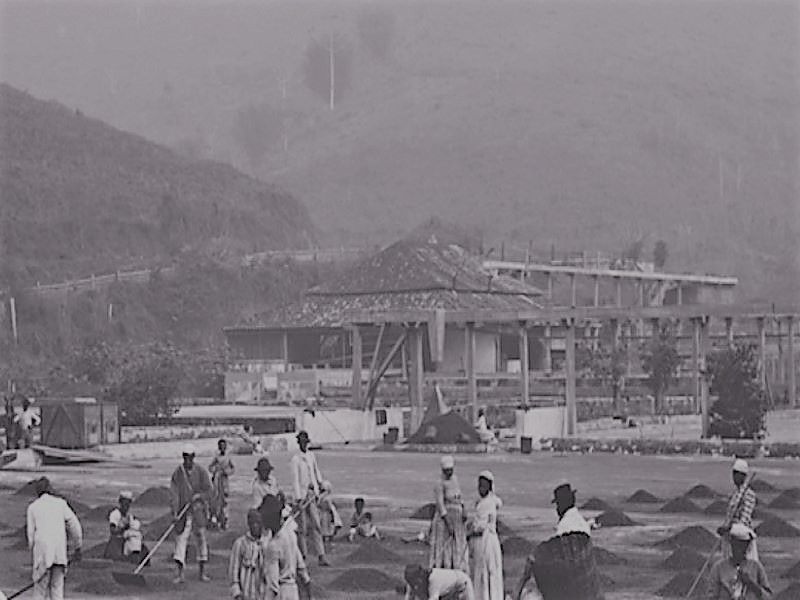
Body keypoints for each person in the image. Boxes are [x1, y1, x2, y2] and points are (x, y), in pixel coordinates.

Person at [26, 477, 83, 600]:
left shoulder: (33, 508)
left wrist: (35, 558)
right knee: (57, 591)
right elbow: (75, 526)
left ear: (37, 492)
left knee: (40, 593)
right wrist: (78, 547)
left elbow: (30, 537)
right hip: (59, 555)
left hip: (43, 556)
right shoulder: (61, 504)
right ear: (49, 488)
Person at [170, 443, 213, 583]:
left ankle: (202, 573)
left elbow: (209, 490)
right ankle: (179, 574)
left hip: (198, 511)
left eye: (190, 457)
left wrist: (199, 496)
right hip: (184, 512)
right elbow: (174, 493)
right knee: (181, 540)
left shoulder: (201, 471)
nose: (187, 460)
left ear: (193, 457)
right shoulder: (178, 473)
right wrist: (175, 513)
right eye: (185, 457)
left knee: (201, 540)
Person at [290, 430, 330, 566]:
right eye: (301, 442)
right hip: (301, 496)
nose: (304, 444)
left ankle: (321, 555)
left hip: (311, 494)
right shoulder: (295, 459)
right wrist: (299, 499)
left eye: (305, 442)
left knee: (316, 525)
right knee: (302, 528)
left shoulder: (311, 456)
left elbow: (315, 472)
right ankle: (303, 556)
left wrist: (320, 484)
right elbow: (295, 479)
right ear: (298, 443)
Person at [263, 494, 311, 600]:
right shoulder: (291, 535)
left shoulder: (273, 545)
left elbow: (273, 585)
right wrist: (308, 589)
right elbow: (301, 566)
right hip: (293, 591)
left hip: (281, 592)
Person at [706, 523, 772, 600]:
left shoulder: (756, 567)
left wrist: (751, 584)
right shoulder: (719, 568)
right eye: (737, 546)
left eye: (743, 546)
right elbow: (711, 596)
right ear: (732, 545)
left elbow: (768, 597)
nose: (740, 550)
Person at [429, 455, 469, 572]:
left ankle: (458, 569)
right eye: (447, 471)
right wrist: (448, 523)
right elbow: (440, 505)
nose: (449, 473)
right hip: (444, 520)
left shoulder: (455, 479)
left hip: (457, 518)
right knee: (444, 546)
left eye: (451, 470)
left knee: (458, 545)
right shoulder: (439, 483)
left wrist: (464, 509)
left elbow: (460, 497)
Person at [468, 471, 503, 600]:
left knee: (484, 571)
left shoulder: (486, 504)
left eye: (483, 486)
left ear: (489, 487)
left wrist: (468, 533)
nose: (480, 488)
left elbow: (480, 527)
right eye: (479, 485)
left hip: (485, 542)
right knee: (490, 572)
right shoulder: (489, 501)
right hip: (491, 541)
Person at [718, 459, 759, 561]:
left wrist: (730, 528)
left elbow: (744, 520)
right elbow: (729, 516)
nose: (734, 477)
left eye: (738, 474)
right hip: (730, 538)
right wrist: (724, 528)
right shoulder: (735, 495)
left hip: (743, 539)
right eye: (734, 473)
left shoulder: (749, 494)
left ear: (744, 476)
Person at [228, 509, 271, 600]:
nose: (255, 526)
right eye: (252, 523)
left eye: (258, 523)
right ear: (248, 524)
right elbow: (234, 571)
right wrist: (236, 593)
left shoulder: (268, 544)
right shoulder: (240, 544)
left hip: (264, 594)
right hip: (246, 595)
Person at [105, 491, 145, 562]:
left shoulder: (129, 516)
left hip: (126, 542)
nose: (126, 506)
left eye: (128, 504)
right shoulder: (115, 514)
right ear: (120, 503)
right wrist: (123, 528)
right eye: (125, 503)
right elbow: (113, 530)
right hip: (116, 543)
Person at [403, 564, 475, 600]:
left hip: (463, 585)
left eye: (416, 582)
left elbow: (433, 598)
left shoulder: (434, 579)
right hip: (448, 592)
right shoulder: (412, 581)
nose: (413, 585)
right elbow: (409, 597)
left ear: (420, 577)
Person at [209, 439, 235, 530]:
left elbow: (233, 468)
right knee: (216, 499)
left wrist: (227, 472)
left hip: (225, 481)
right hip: (217, 480)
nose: (223, 448)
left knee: (225, 500)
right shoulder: (216, 457)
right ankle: (217, 519)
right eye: (221, 446)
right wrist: (215, 471)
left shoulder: (228, 457)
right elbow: (210, 467)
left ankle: (225, 520)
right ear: (219, 447)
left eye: (224, 446)